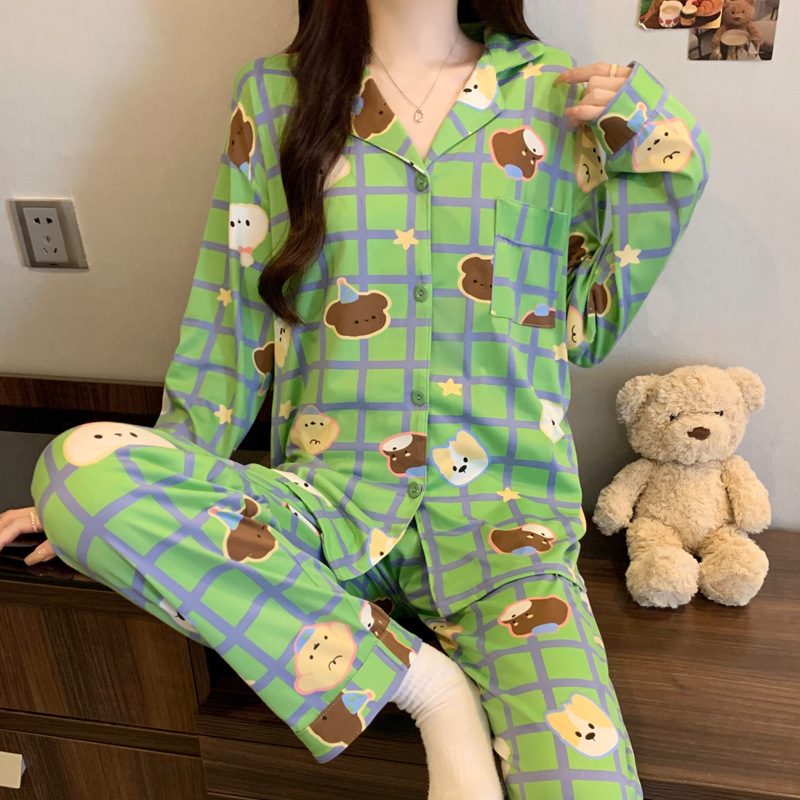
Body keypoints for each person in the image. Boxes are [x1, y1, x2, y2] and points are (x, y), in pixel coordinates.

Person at [0, 0, 710, 797]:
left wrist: (655, 141)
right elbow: (231, 322)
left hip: (504, 537)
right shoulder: (276, 95)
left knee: (588, 783)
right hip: (324, 512)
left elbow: (588, 327)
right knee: (74, 467)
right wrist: (140, 511)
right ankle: (427, 688)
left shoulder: (553, 92)